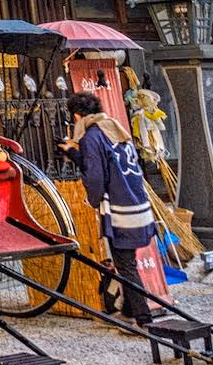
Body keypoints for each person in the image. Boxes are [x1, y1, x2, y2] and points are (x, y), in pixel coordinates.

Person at [66, 91, 159, 324]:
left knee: (126, 265)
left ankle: (142, 318)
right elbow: (106, 162)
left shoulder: (92, 136)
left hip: (121, 209)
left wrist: (94, 200)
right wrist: (75, 154)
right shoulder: (114, 128)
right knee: (127, 261)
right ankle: (128, 310)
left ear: (78, 115)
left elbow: (96, 176)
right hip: (138, 202)